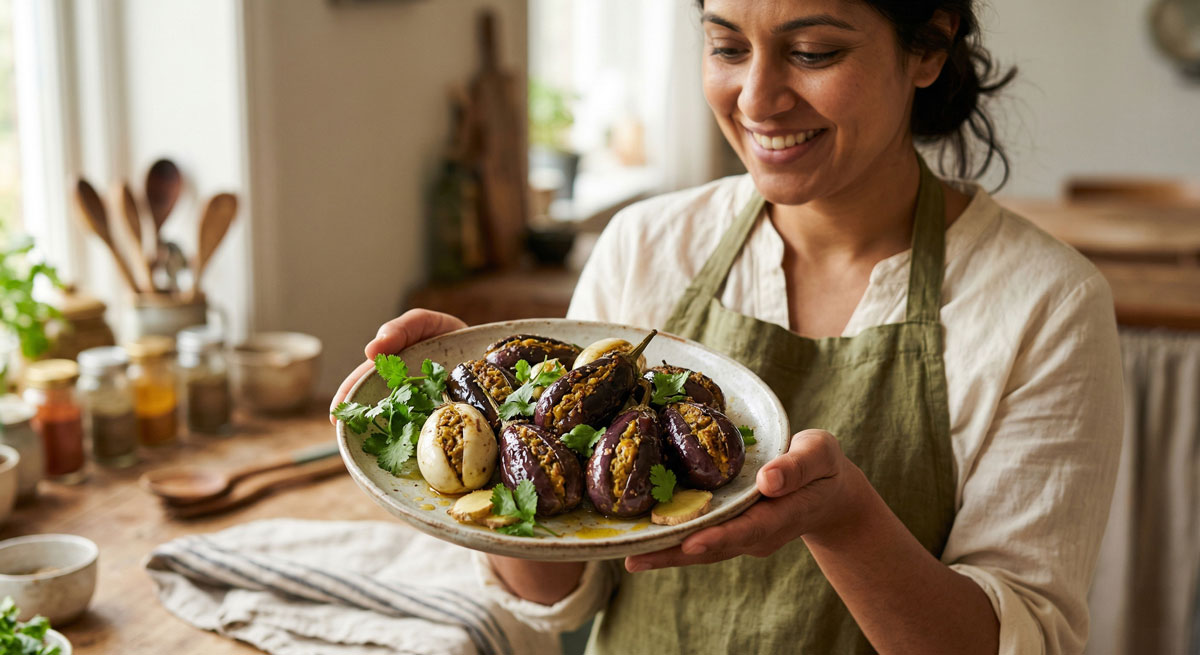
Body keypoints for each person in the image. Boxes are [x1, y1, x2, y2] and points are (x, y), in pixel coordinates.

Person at [333, 1, 1123, 652]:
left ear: (930, 46)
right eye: (725, 46)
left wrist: (844, 520)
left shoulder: (1044, 306)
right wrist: (497, 437)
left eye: (812, 51)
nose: (755, 98)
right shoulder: (647, 245)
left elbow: (1023, 640)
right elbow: (559, 593)